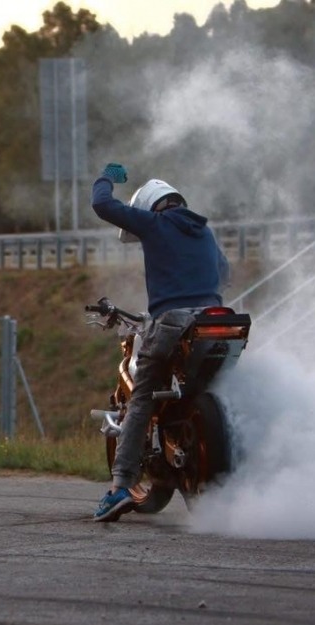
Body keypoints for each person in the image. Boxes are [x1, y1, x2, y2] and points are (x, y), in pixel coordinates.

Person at [89, 162, 230, 522]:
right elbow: (223, 272)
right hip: (216, 320)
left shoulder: (155, 223)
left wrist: (105, 178)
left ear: (152, 204)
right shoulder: (204, 232)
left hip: (173, 321)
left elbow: (102, 206)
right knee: (227, 389)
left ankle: (120, 486)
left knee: (143, 396)